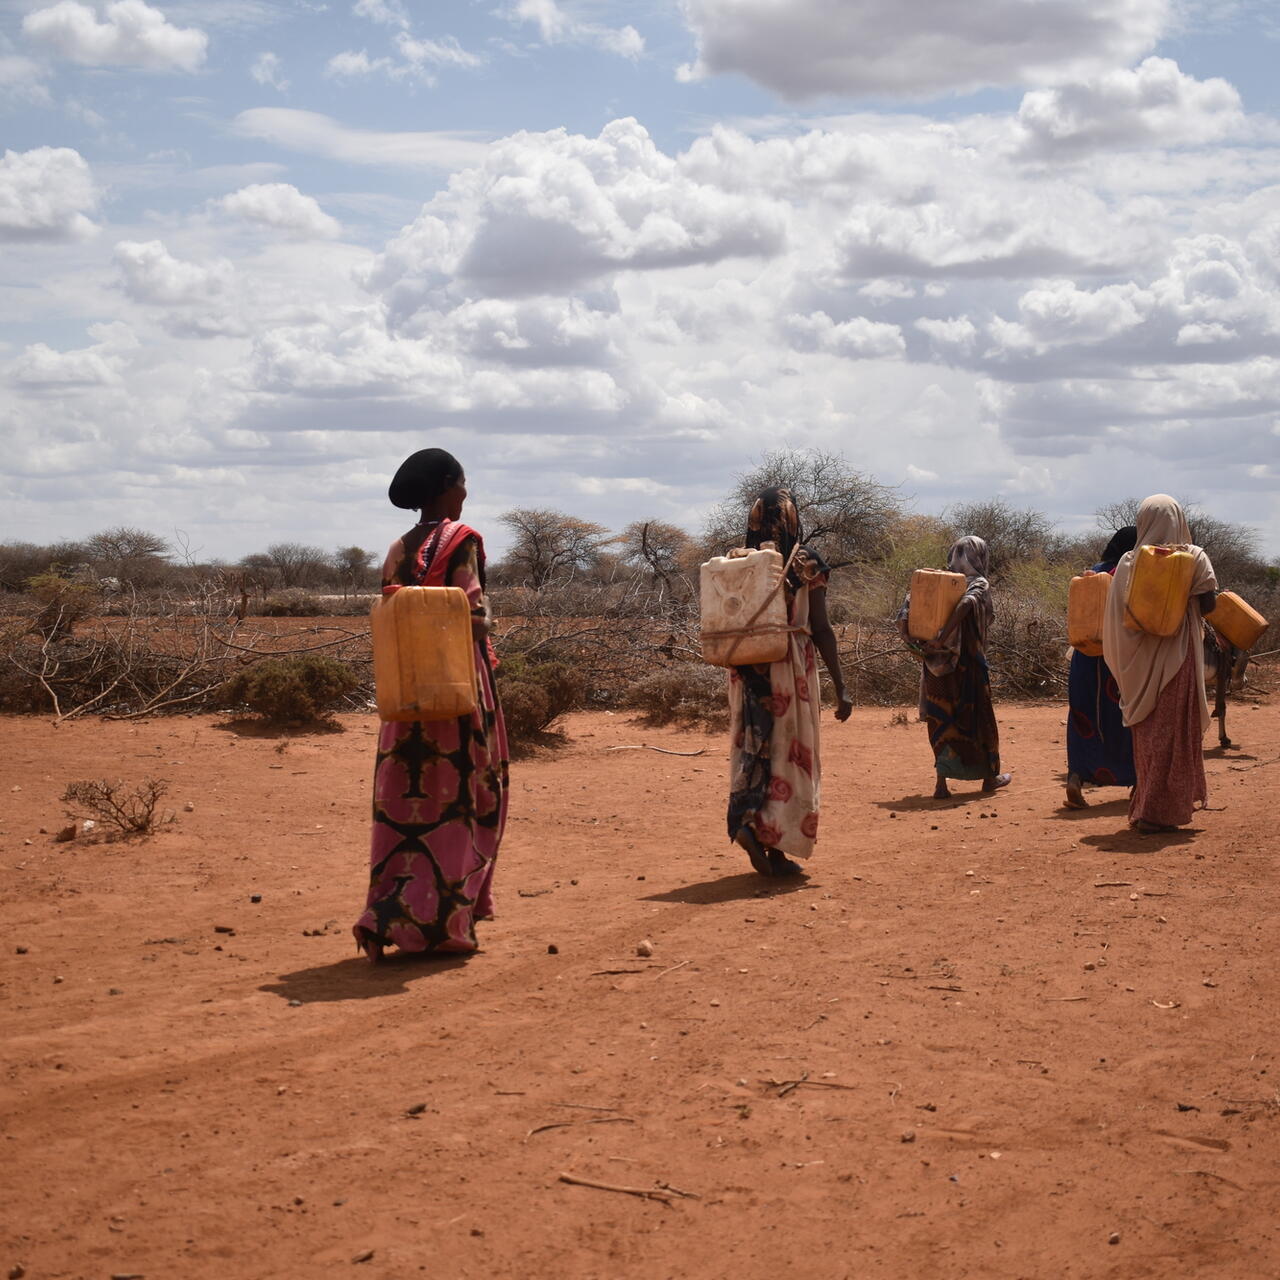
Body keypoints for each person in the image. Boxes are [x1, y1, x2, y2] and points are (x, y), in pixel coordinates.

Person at [353, 449, 509, 961]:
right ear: (445, 486)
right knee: (469, 796)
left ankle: (385, 914)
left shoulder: (397, 547)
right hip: (459, 687)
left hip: (407, 693)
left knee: (404, 804)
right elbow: (474, 611)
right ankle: (446, 921)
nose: (466, 494)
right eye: (462, 484)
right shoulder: (464, 541)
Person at [727, 488, 852, 878]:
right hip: (789, 664)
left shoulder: (736, 561)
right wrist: (841, 685)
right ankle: (777, 840)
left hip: (746, 667)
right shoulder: (805, 562)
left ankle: (750, 822)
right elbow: (822, 629)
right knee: (791, 755)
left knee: (753, 746)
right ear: (793, 519)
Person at [1102, 494, 1217, 834]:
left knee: (1149, 737)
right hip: (1176, 657)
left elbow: (1117, 616)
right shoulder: (1194, 557)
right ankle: (1160, 810)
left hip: (1137, 666)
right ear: (1180, 520)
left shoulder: (1126, 562)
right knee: (1175, 733)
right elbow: (1208, 604)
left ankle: (1146, 805)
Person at [898, 535, 1011, 800]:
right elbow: (967, 603)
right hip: (968, 666)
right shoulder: (978, 583)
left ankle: (941, 783)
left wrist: (916, 643)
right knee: (979, 718)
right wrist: (944, 634)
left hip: (934, 665)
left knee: (941, 719)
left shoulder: (934, 583)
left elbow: (904, 611)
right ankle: (988, 778)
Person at [1064, 527, 1138, 808]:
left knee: (1084, 719)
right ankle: (1137, 781)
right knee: (1126, 719)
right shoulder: (1130, 574)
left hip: (1083, 660)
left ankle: (1075, 777)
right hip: (1116, 661)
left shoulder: (1092, 572)